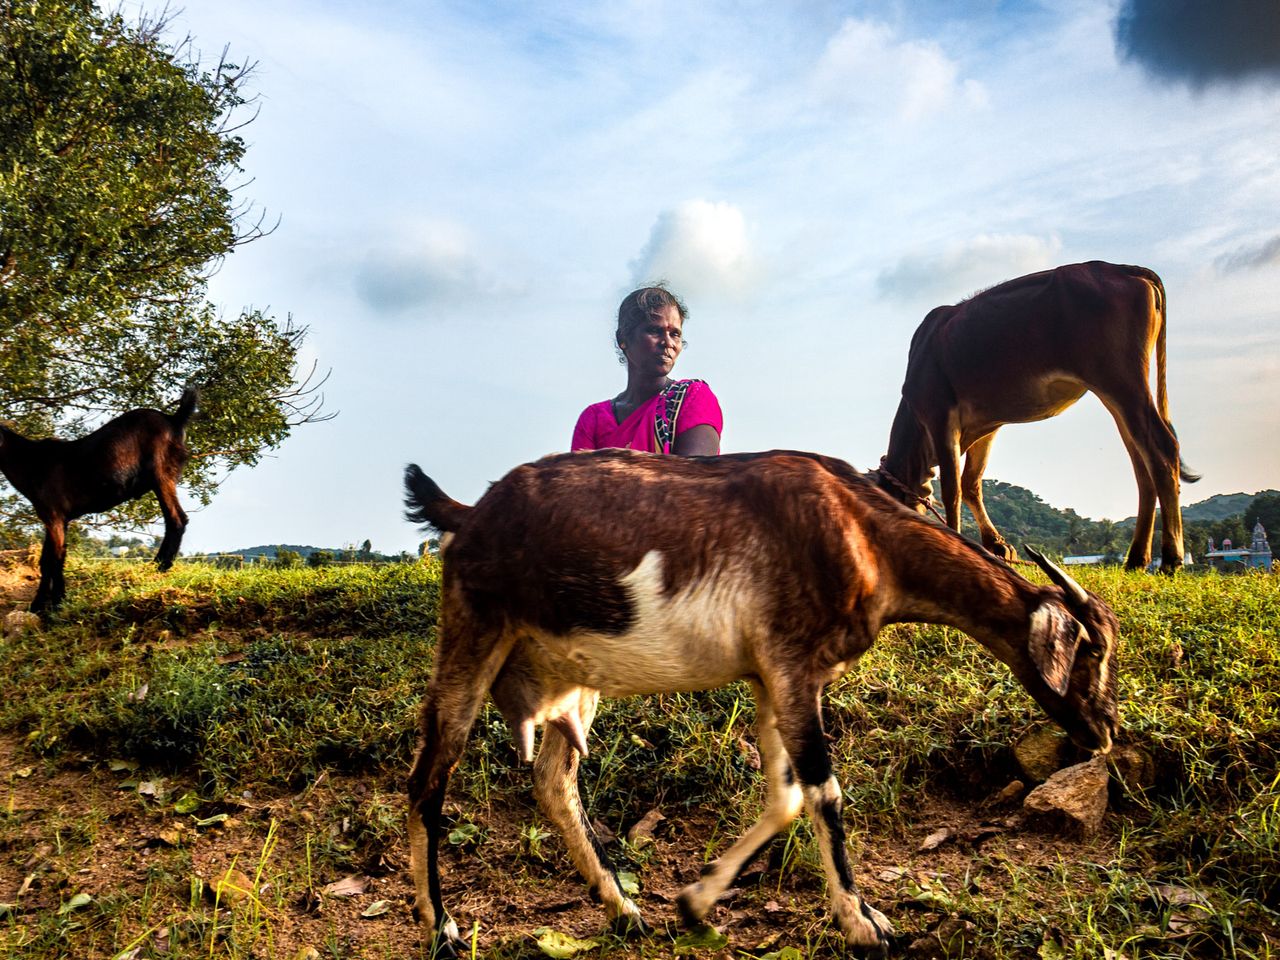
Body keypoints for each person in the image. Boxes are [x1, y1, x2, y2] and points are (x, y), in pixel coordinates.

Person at [571, 285, 723, 455]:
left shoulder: (692, 398)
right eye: (654, 331)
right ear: (623, 339)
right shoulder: (594, 419)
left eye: (675, 334)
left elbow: (694, 476)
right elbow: (579, 479)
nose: (668, 343)